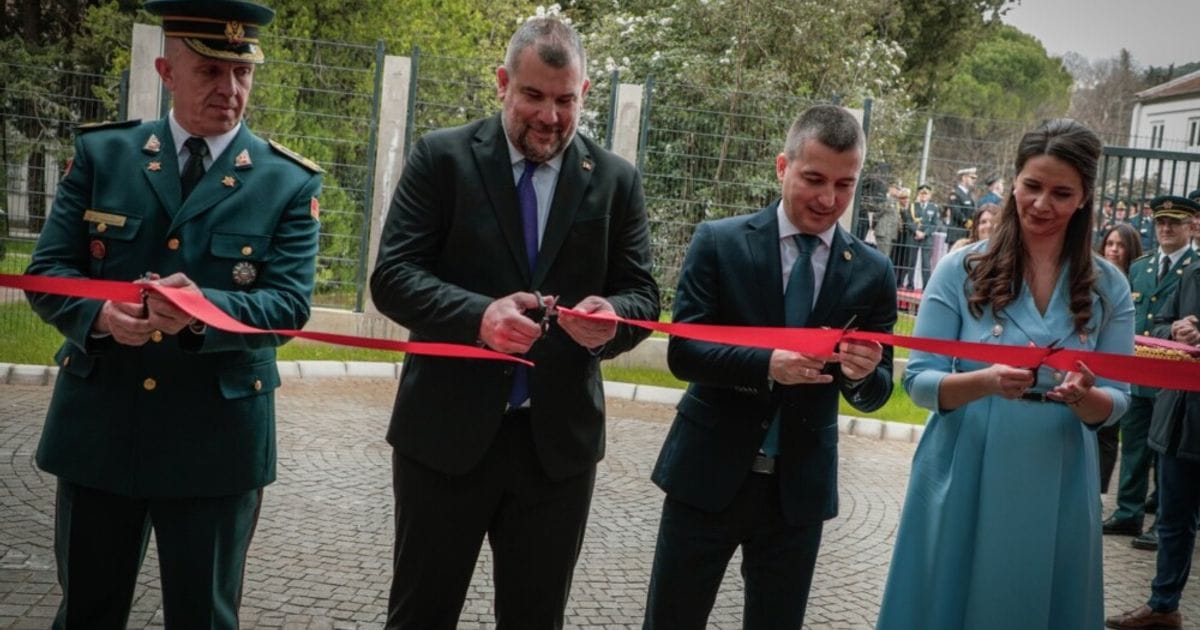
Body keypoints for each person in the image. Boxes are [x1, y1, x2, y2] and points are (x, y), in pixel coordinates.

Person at [23, 1, 322, 626]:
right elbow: (48, 271)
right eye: (210, 71)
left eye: (242, 73)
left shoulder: (287, 182)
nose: (230, 89)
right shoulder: (105, 154)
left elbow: (288, 306)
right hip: (102, 429)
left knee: (203, 618)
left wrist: (200, 310)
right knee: (87, 614)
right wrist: (102, 316)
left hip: (216, 443)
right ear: (167, 71)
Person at [369, 16, 660, 630]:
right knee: (420, 615)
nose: (549, 117)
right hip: (443, 437)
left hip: (556, 451)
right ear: (502, 83)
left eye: (566, 100)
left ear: (585, 94)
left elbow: (643, 297)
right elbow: (392, 276)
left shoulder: (616, 180)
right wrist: (478, 317)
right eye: (533, 95)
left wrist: (614, 320)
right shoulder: (441, 158)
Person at [643, 104, 896, 629]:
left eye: (845, 185)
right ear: (783, 166)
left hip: (797, 493)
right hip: (707, 475)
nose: (828, 200)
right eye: (814, 179)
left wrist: (861, 373)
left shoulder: (872, 271)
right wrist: (766, 365)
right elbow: (683, 353)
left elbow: (877, 391)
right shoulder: (720, 242)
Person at [876, 118, 1134, 630]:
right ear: (1014, 181)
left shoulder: (1110, 286)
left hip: (1059, 467)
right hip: (965, 459)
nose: (1041, 204)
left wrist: (1084, 398)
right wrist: (986, 381)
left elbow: (1118, 400)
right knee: (948, 598)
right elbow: (919, 381)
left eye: (1062, 193)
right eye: (1031, 186)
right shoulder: (960, 269)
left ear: (1084, 198)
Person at [1105, 195, 1200, 630]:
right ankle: (1163, 605)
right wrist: (1176, 329)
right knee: (1174, 521)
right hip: (1179, 416)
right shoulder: (1193, 275)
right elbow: (1159, 323)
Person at [1094, 222, 1144, 494]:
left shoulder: (1138, 278)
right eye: (1110, 243)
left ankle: (1101, 492)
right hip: (1093, 356)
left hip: (1122, 361)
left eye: (1120, 245)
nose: (1113, 249)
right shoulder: (1093, 275)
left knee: (1108, 431)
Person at [902, 183, 941, 290]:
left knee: (926, 263)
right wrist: (916, 231)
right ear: (918, 194)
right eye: (921, 194)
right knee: (911, 262)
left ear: (930, 196)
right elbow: (908, 221)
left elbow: (935, 224)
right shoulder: (913, 206)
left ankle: (926, 286)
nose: (923, 196)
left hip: (927, 239)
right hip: (913, 237)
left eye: (926, 194)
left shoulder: (934, 208)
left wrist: (924, 234)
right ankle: (910, 285)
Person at [945, 166, 977, 243]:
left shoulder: (969, 195)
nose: (974, 180)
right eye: (972, 178)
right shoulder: (955, 193)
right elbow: (956, 212)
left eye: (974, 178)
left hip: (966, 234)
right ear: (964, 178)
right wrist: (967, 222)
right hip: (956, 234)